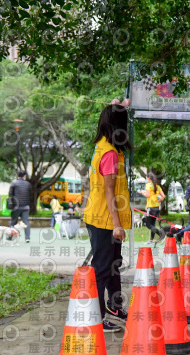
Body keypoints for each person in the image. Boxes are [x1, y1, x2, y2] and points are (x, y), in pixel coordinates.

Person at [83, 99, 132, 333]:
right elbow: (109, 191)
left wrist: (118, 105)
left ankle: (115, 306)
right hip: (104, 219)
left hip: (100, 216)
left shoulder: (102, 145)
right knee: (102, 269)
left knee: (113, 265)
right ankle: (97, 316)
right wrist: (116, 225)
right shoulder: (110, 154)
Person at [137, 172, 165, 244]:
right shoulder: (157, 186)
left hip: (151, 208)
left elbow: (147, 195)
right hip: (156, 208)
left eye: (146, 178)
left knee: (148, 224)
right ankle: (151, 239)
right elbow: (163, 196)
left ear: (148, 178)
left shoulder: (148, 185)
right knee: (152, 224)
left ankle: (161, 234)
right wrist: (158, 201)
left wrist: (142, 193)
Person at [8, 170, 32, 243]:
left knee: (13, 222)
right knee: (26, 222)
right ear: (24, 176)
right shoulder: (28, 184)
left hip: (16, 206)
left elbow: (10, 194)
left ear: (18, 176)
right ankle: (27, 238)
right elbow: (30, 194)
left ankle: (11, 237)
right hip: (26, 207)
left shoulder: (14, 183)